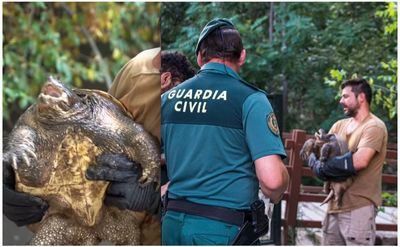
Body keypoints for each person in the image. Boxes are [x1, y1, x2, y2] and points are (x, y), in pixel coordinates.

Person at [3, 48, 162, 245]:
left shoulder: (103, 118)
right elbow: (21, 139)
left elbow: (135, 136)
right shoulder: (140, 70)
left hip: (138, 225)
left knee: (128, 233)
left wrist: (160, 195)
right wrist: (8, 174)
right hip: (59, 212)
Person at [161, 18, 289, 245]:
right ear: (242, 56)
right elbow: (272, 180)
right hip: (220, 230)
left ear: (200, 57)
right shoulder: (251, 100)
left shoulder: (166, 99)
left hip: (169, 227)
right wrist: (280, 187)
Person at [307, 78, 388, 245]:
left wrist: (321, 167)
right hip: (333, 208)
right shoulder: (339, 126)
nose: (340, 100)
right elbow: (319, 153)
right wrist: (314, 159)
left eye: (345, 96)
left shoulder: (374, 126)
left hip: (358, 209)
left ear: (361, 98)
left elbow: (360, 161)